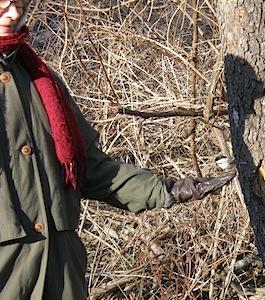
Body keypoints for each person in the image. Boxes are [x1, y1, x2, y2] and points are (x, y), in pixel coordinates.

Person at [0, 1, 236, 299]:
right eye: (3, 3)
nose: (13, 13)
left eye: (18, 3)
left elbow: (89, 168)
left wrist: (170, 190)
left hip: (61, 275)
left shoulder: (40, 79)